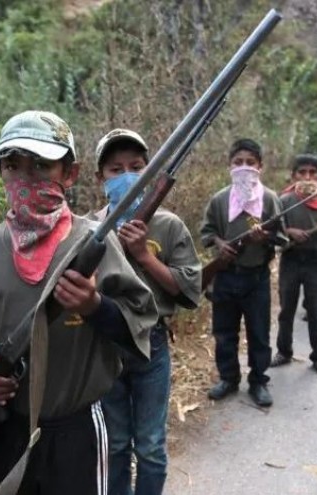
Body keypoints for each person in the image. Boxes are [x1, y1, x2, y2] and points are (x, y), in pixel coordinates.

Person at [0, 111, 159, 495]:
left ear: (69, 174)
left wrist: (95, 306)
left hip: (80, 429)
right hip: (9, 427)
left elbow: (138, 322)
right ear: (0, 173)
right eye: (12, 165)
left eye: (42, 165)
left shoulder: (96, 241)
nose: (25, 177)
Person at [94, 129, 202, 495]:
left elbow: (189, 289)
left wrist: (144, 256)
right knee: (117, 444)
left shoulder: (168, 225)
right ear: (99, 178)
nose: (126, 175)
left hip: (152, 346)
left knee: (151, 447)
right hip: (105, 348)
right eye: (115, 169)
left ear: (151, 172)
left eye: (137, 167)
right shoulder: (90, 228)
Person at [200, 138, 283, 406]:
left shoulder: (269, 199)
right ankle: (229, 378)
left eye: (250, 163)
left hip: (256, 277)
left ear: (260, 166)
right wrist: (220, 244)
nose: (244, 167)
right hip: (225, 276)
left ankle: (258, 381)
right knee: (224, 332)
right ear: (229, 165)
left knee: (259, 332)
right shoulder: (219, 200)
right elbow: (207, 232)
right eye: (238, 162)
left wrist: (265, 238)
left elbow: (282, 238)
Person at [270, 155, 317, 377]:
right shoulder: (283, 201)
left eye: (313, 173)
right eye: (302, 173)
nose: (307, 177)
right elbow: (273, 227)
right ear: (293, 175)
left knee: (316, 310)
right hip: (291, 260)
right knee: (286, 309)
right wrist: (289, 232)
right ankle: (284, 351)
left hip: (316, 262)